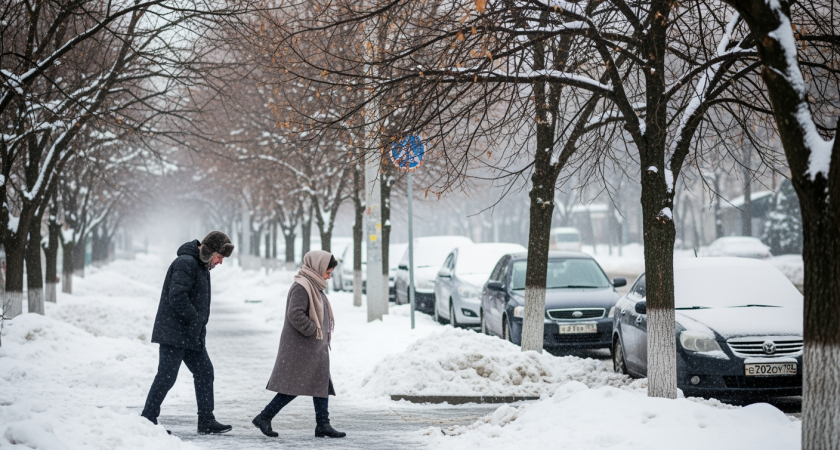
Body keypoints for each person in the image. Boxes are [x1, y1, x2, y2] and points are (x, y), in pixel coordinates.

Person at [140, 232, 235, 435]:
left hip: (190, 334)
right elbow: (177, 296)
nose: (220, 263)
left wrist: (197, 325)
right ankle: (147, 420)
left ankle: (206, 420)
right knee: (166, 376)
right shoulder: (186, 263)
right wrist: (195, 318)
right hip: (174, 333)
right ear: (210, 252)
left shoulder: (200, 265)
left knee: (204, 372)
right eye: (220, 257)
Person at [252, 250, 346, 438]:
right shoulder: (302, 286)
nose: (328, 276)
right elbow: (295, 314)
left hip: (313, 347)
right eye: (327, 272)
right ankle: (264, 417)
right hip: (301, 347)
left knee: (320, 383)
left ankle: (323, 424)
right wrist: (313, 330)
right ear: (318, 268)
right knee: (294, 386)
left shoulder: (314, 285)